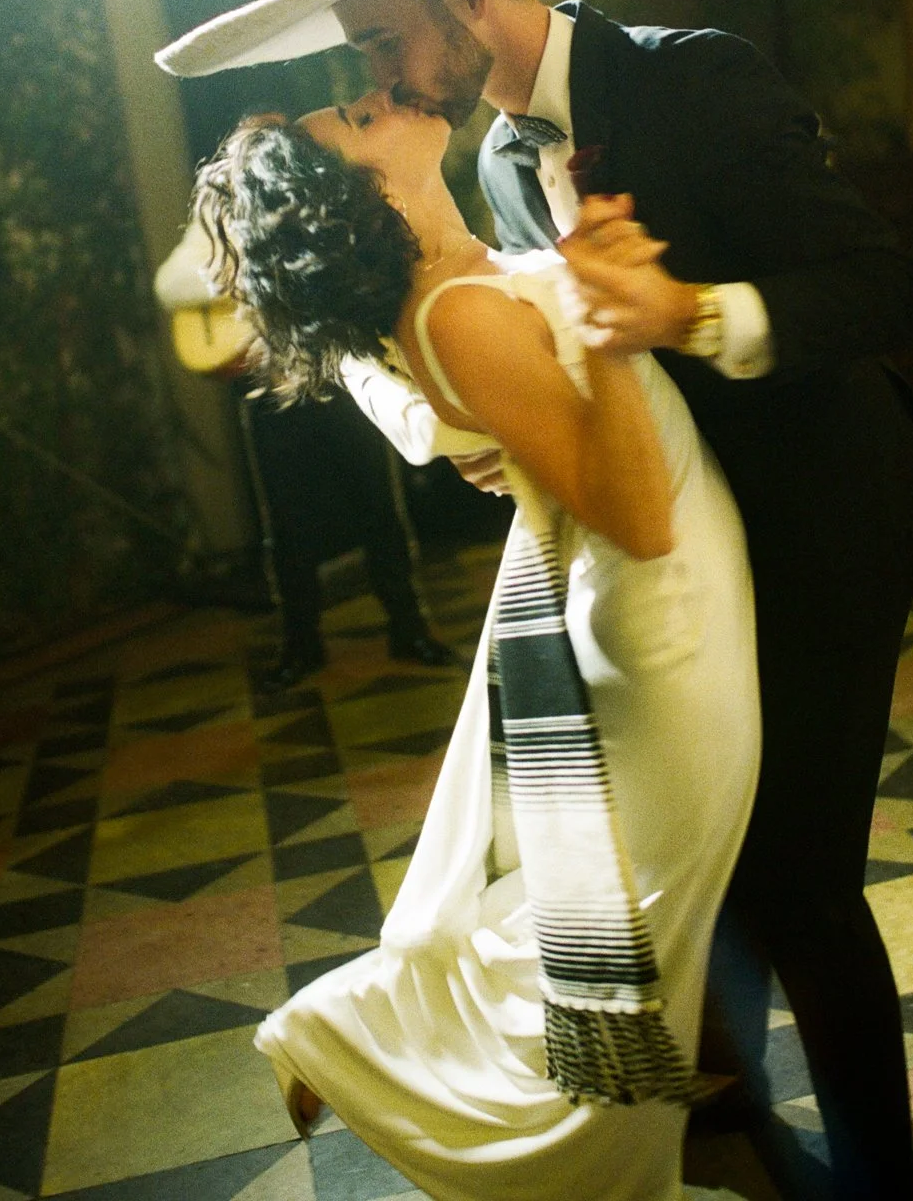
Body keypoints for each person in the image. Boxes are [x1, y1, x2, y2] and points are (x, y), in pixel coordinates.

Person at [156, 0, 913, 1201]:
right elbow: (569, 384)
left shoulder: (694, 81)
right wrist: (500, 435)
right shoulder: (484, 168)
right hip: (685, 562)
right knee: (721, 857)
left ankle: (874, 1182)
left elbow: (887, 289)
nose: (380, 75)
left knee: (798, 878)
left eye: (383, 44)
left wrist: (687, 312)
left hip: (824, 525)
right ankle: (724, 1101)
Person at [196, 100, 759, 1201]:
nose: (384, 98)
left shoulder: (456, 280)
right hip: (663, 607)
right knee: (638, 913)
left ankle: (356, 1024)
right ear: (359, 194)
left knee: (623, 906)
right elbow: (639, 518)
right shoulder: (452, 312)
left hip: (658, 592)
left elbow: (466, 417)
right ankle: (409, 1069)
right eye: (361, 117)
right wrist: (598, 315)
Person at [154, 214, 450, 687]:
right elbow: (169, 284)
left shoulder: (325, 193)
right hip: (272, 388)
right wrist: (242, 278)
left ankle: (408, 627)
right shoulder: (225, 205)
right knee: (285, 524)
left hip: (345, 377)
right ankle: (301, 644)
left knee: (380, 507)